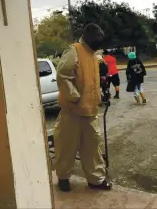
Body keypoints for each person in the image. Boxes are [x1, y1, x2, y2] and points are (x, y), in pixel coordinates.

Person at [54, 23, 112, 192]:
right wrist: (74, 97)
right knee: (67, 145)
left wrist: (100, 96)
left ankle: (96, 179)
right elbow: (63, 75)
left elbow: (91, 81)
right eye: (97, 41)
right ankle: (63, 177)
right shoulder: (74, 50)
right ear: (88, 38)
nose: (99, 44)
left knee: (92, 146)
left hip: (90, 109)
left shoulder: (94, 55)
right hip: (72, 110)